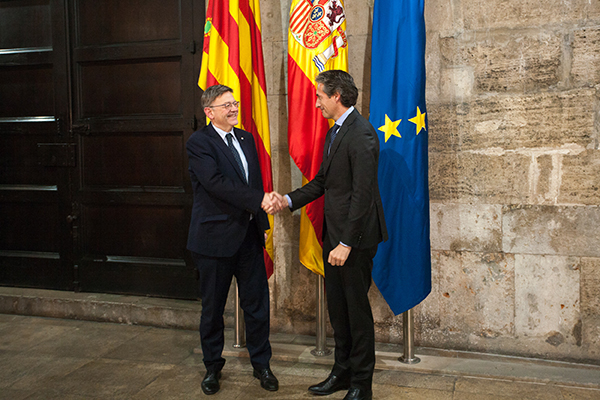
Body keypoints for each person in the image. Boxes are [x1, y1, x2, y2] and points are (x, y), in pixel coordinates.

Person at [272, 70, 388, 400]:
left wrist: (346, 243)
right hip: (335, 236)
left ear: (337, 96)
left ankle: (361, 384)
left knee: (356, 312)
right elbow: (323, 182)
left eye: (320, 96)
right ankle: (341, 371)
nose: (317, 102)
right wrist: (289, 200)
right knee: (338, 311)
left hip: (354, 240)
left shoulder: (361, 134)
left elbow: (363, 195)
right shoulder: (335, 132)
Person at [186, 84, 280, 395]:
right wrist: (260, 200)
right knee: (213, 309)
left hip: (249, 237)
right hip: (214, 239)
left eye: (235, 102)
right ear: (209, 112)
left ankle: (261, 365)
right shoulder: (199, 143)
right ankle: (212, 367)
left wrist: (261, 216)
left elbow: (254, 180)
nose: (234, 108)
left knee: (257, 306)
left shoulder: (246, 138)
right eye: (226, 105)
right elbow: (216, 184)